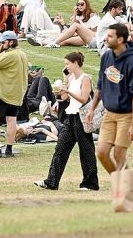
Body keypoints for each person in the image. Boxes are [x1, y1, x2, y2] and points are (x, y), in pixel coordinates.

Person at [35, 52, 99, 191]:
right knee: (60, 149)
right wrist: (64, 87)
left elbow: (84, 99)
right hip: (70, 117)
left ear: (76, 62)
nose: (66, 66)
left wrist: (68, 91)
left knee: (86, 150)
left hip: (81, 118)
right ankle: (51, 181)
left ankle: (90, 183)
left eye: (68, 64)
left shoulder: (85, 78)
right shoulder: (71, 78)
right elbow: (64, 98)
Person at [87, 24, 133, 174]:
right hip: (109, 113)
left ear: (120, 39)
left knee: (118, 153)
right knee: (102, 153)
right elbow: (100, 85)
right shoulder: (106, 56)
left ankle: (124, 186)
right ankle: (121, 180)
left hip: (126, 115)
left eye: (110, 36)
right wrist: (92, 109)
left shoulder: (132, 63)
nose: (106, 38)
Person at [0, 31, 29, 158]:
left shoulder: (10, 55)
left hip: (4, 91)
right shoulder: (22, 54)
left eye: (3, 42)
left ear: (11, 42)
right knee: (11, 120)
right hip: (17, 92)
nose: (1, 45)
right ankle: (9, 149)